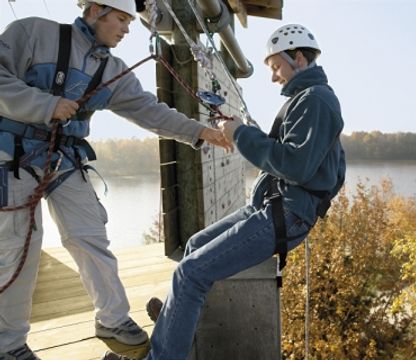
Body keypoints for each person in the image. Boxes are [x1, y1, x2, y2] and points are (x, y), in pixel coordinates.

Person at [0, 1, 232, 359]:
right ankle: (9, 346)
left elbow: (150, 111)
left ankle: (113, 320)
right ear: (95, 11)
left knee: (90, 236)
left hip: (63, 158)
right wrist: (45, 105)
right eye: (122, 19)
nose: (127, 28)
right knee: (21, 250)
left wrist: (202, 132)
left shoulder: (112, 70)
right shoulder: (34, 34)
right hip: (14, 155)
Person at [102, 22, 346, 360]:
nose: (274, 77)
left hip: (286, 214)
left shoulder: (316, 100)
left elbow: (296, 166)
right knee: (193, 247)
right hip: (275, 206)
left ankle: (164, 354)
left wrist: (241, 135)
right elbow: (309, 162)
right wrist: (241, 132)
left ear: (299, 58)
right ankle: (175, 327)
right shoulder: (306, 100)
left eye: (276, 67)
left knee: (190, 274)